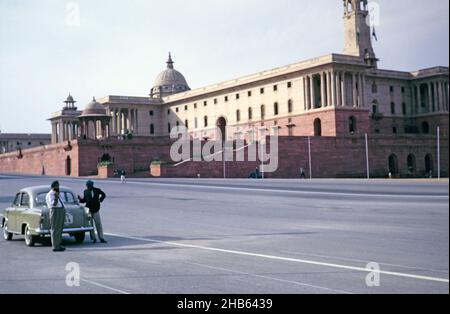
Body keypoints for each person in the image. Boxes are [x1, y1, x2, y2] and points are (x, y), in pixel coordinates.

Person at [45, 181, 66, 252]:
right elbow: (53, 204)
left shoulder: (56, 193)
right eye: (57, 186)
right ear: (53, 187)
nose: (58, 187)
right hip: (55, 211)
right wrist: (56, 197)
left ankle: (58, 245)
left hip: (60, 211)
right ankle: (55, 246)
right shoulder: (51, 194)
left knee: (59, 229)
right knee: (55, 228)